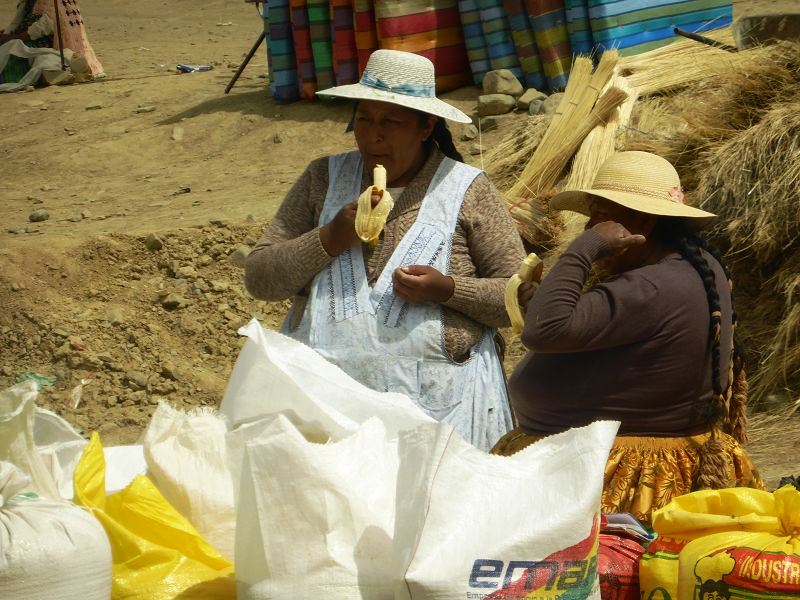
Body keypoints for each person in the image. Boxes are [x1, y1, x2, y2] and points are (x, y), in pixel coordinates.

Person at [245, 49, 526, 451]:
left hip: (441, 417)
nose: (372, 136)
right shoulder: (322, 180)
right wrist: (330, 238)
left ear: (426, 126)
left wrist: (448, 290)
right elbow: (259, 279)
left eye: (391, 122)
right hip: (327, 416)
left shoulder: (466, 190)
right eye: (364, 119)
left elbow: (520, 299)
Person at [492, 151, 762, 523]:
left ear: (643, 222)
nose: (590, 226)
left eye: (601, 216)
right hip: (608, 453)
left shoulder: (653, 284)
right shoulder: (680, 267)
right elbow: (573, 322)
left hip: (624, 472)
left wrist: (584, 249)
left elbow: (544, 331)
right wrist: (545, 301)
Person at [0, 0, 103, 85]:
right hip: (26, 37)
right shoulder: (28, 2)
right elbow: (17, 20)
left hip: (48, 43)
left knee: (14, 53)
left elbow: (45, 26)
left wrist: (13, 38)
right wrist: (7, 35)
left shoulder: (52, 3)